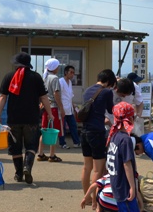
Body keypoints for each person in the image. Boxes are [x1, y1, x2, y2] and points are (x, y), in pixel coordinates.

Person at [0, 52, 53, 184]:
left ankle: (18, 174)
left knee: (15, 147)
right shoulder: (36, 77)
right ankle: (27, 167)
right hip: (31, 118)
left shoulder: (9, 76)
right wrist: (49, 113)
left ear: (16, 64)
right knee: (31, 145)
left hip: (13, 119)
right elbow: (44, 97)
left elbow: (2, 97)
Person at [80, 69, 116, 197]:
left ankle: (87, 196)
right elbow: (111, 110)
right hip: (97, 132)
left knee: (86, 167)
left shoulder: (87, 90)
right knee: (98, 169)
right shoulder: (106, 92)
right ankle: (96, 200)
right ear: (108, 82)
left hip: (84, 131)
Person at [106, 102, 142, 212]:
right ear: (130, 118)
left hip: (116, 182)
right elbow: (127, 164)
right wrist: (132, 186)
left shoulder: (113, 135)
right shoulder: (125, 139)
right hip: (124, 185)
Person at [37, 58, 65, 162]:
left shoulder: (44, 77)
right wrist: (61, 108)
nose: (58, 68)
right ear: (54, 67)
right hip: (53, 107)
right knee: (54, 132)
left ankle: (40, 154)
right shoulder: (55, 78)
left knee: (44, 130)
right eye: (57, 66)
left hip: (45, 107)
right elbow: (56, 94)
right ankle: (52, 155)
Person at [59, 64, 81, 149]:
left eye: (73, 73)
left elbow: (70, 96)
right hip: (62, 108)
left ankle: (76, 142)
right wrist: (60, 108)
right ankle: (62, 143)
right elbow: (58, 95)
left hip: (69, 108)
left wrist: (74, 106)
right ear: (66, 72)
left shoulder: (70, 82)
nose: (72, 74)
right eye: (71, 72)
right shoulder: (61, 81)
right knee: (62, 127)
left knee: (73, 126)